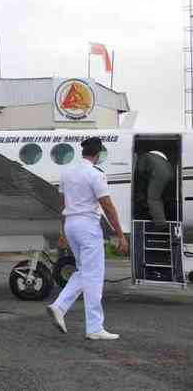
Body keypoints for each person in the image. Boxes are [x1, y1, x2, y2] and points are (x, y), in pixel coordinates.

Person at [47, 137, 129, 341]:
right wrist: (120, 235)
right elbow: (108, 207)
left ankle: (60, 307)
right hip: (87, 226)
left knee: (84, 272)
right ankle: (94, 327)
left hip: (71, 225)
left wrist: (62, 233)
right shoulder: (95, 174)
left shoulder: (66, 173)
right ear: (98, 154)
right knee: (93, 276)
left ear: (83, 153)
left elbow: (62, 205)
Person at [135, 150, 174, 225]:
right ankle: (162, 218)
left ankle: (160, 224)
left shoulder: (143, 156)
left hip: (159, 175)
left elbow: (141, 170)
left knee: (153, 199)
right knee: (158, 198)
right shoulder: (157, 157)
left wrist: (142, 178)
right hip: (170, 174)